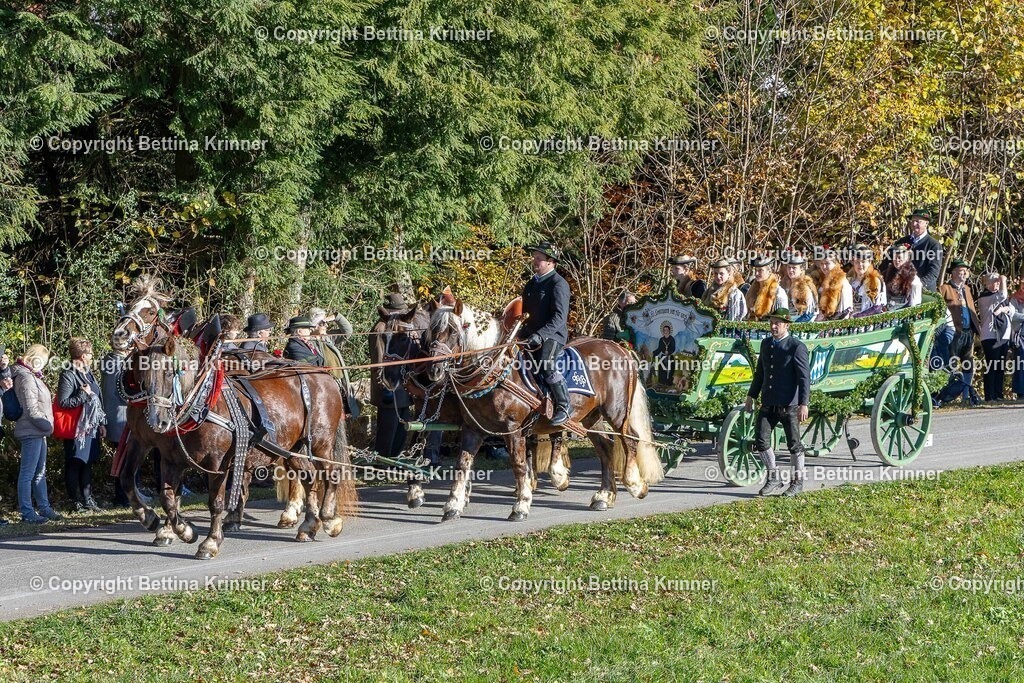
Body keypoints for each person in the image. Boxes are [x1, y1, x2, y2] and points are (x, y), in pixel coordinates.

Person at [744, 308, 810, 496]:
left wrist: (803, 403)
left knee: (794, 445)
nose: (773, 326)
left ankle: (797, 482)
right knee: (761, 440)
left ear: (786, 325)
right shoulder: (766, 344)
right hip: (769, 401)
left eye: (777, 323)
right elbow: (760, 373)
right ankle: (773, 477)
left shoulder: (796, 347)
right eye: (771, 323)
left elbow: (804, 377)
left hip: (789, 404)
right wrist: (751, 395)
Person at [518, 241, 572, 426]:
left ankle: (564, 406)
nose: (535, 261)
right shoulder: (531, 283)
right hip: (530, 334)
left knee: (546, 364)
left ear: (550, 261)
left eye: (539, 258)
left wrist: (540, 335)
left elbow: (559, 318)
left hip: (552, 335)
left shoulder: (559, 284)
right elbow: (524, 313)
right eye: (534, 258)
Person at [13, 344, 62, 523]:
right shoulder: (26, 377)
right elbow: (31, 409)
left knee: (40, 472)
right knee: (28, 473)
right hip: (32, 430)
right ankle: (27, 512)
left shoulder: (32, 376)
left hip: (39, 430)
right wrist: (47, 426)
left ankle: (44, 508)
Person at [57, 338, 107, 513]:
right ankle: (74, 501)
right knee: (75, 463)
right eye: (90, 354)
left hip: (90, 427)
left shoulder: (88, 373)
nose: (92, 357)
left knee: (87, 462)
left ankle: (88, 499)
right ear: (82, 355)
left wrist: (102, 423)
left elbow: (97, 399)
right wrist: (82, 395)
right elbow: (63, 402)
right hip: (76, 428)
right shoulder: (68, 374)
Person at [369, 292, 415, 458]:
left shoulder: (396, 325)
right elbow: (379, 357)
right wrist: (382, 382)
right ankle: (383, 460)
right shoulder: (381, 328)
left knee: (401, 427)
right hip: (388, 384)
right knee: (388, 428)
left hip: (400, 384)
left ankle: (395, 458)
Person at [938, 259, 981, 405]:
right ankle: (948, 396)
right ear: (953, 272)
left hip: (968, 332)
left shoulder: (967, 289)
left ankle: (966, 395)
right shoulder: (944, 289)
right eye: (961, 271)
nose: (964, 274)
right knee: (951, 364)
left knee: (968, 363)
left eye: (965, 271)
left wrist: (977, 329)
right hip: (954, 332)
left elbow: (971, 310)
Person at [100, 345, 133, 507]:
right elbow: (121, 393)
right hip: (120, 416)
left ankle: (129, 493)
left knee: (125, 458)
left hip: (116, 415)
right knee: (124, 460)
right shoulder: (117, 363)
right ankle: (123, 496)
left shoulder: (111, 361)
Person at [882, 208, 943, 292]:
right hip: (900, 291)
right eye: (913, 221)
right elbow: (887, 263)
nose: (914, 224)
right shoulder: (902, 241)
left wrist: (917, 285)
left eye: (918, 221)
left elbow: (933, 273)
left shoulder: (934, 245)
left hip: (924, 292)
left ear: (926, 223)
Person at [977, 273, 1014, 402]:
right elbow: (1003, 295)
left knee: (1000, 366)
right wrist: (1003, 279)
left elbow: (1011, 309)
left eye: (998, 281)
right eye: (994, 281)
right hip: (990, 336)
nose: (998, 283)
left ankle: (998, 394)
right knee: (992, 365)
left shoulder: (998, 297)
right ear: (986, 284)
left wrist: (1004, 309)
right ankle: (989, 395)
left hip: (1003, 336)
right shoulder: (985, 297)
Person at [814, 247, 854, 320]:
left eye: (827, 263)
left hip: (837, 321)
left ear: (835, 263)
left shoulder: (842, 281)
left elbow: (845, 310)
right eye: (822, 263)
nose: (824, 267)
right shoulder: (822, 279)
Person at [745, 255, 789, 321]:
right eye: (756, 270)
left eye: (760, 270)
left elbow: (781, 319)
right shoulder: (751, 291)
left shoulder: (778, 292)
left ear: (769, 271)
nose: (756, 273)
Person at [848, 244, 886, 316]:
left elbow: (878, 307)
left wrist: (859, 316)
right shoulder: (849, 281)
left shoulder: (876, 281)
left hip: (869, 320)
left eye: (863, 261)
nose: (860, 265)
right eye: (857, 262)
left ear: (869, 262)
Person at [883, 243, 922, 311]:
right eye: (894, 257)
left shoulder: (913, 279)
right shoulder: (887, 273)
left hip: (902, 313)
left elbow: (915, 305)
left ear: (907, 259)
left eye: (899, 258)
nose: (896, 260)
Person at [780, 252, 818, 322]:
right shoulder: (786, 283)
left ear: (801, 270)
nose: (791, 270)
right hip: (790, 318)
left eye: (794, 268)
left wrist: (794, 325)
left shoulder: (804, 285)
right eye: (789, 267)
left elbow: (809, 313)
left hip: (803, 320)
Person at [1008, 280, 1024, 399]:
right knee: (1020, 365)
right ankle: (1020, 392)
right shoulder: (1014, 299)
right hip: (1020, 337)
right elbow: (1012, 315)